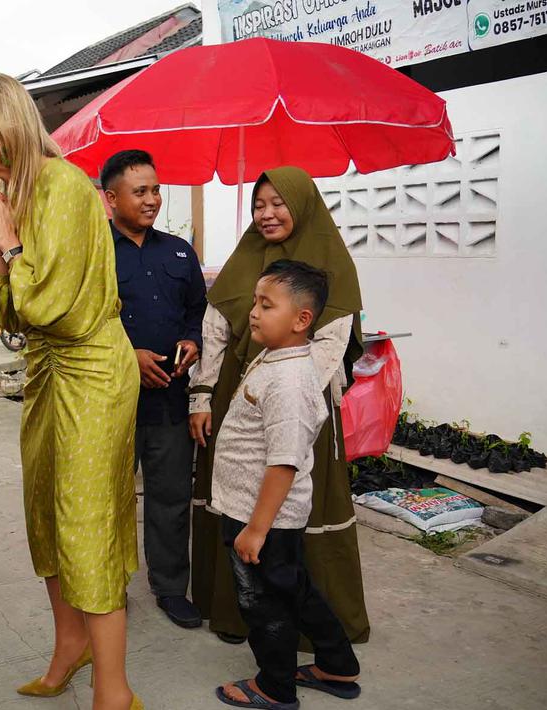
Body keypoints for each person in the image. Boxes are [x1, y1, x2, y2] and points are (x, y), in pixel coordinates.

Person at [0, 72, 142, 710]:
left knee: (87, 521)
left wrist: (7, 241)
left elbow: (49, 304)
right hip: (47, 371)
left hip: (91, 371)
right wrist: (1, 239)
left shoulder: (61, 186)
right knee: (47, 515)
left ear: (4, 125)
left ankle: (113, 688)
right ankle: (69, 646)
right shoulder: (15, 193)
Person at [188, 166, 370, 647]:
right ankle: (234, 611)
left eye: (278, 203)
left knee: (286, 504)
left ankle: (306, 639)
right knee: (235, 497)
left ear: (303, 204)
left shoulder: (333, 265)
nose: (266, 214)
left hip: (293, 400)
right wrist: (203, 394)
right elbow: (216, 329)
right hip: (237, 400)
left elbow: (328, 346)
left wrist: (287, 388)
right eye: (258, 204)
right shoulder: (245, 258)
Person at [212, 259, 361, 709]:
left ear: (301, 320)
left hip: (262, 517)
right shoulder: (276, 357)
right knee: (293, 588)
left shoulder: (291, 380)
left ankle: (274, 686)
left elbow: (283, 461)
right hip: (258, 512)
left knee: (264, 604)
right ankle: (336, 662)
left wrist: (256, 528)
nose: (254, 312)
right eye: (256, 302)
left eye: (266, 305)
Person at [100, 150, 206, 629]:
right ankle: (105, 588)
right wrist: (129, 358)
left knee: (170, 498)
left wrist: (192, 340)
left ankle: (169, 588)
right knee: (107, 499)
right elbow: (81, 324)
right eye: (140, 191)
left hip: (169, 401)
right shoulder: (92, 254)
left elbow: (198, 312)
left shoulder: (179, 251)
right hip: (108, 403)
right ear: (111, 198)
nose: (152, 200)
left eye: (156, 190)